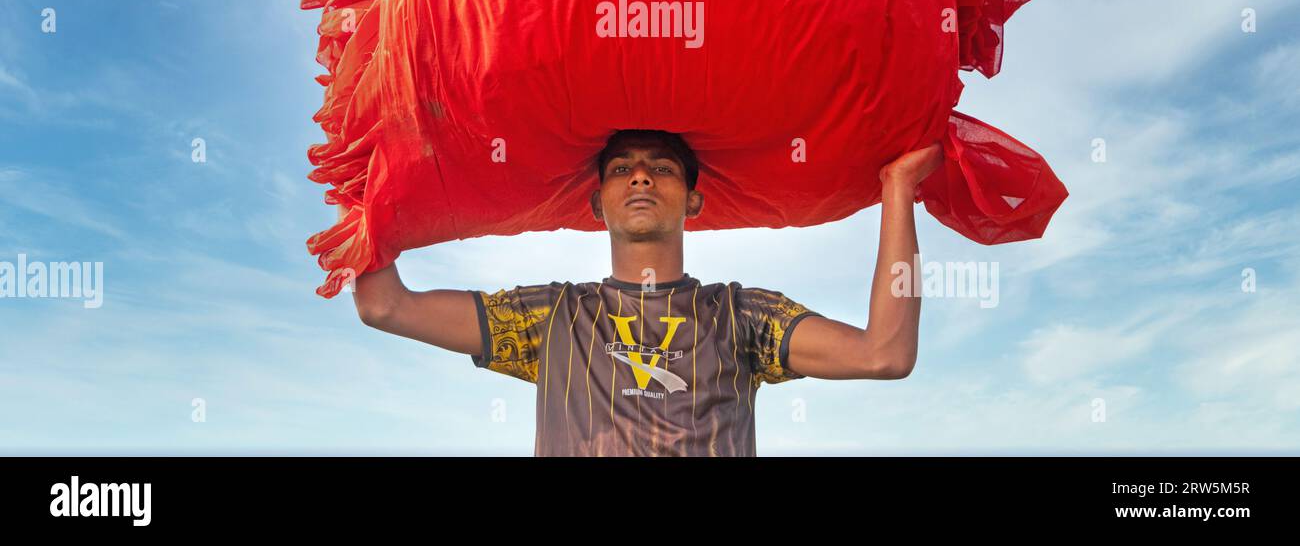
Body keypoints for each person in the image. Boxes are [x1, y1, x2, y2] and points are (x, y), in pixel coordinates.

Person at [352, 128, 943, 456]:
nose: (639, 175)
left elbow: (883, 353)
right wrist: (362, 176)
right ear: (596, 203)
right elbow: (384, 305)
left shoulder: (740, 315)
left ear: (693, 199)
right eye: (620, 169)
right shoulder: (550, 318)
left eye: (661, 167)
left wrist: (898, 190)